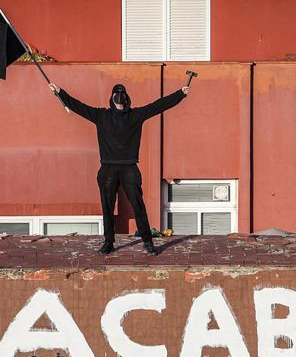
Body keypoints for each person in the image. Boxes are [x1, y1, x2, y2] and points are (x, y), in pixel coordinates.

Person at [48, 80, 190, 255]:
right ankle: (109, 242)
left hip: (128, 168)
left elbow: (158, 106)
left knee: (137, 205)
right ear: (116, 100)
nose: (120, 103)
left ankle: (147, 241)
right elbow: (78, 106)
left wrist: (180, 94)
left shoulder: (130, 115)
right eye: (119, 99)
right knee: (108, 206)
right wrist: (60, 92)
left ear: (123, 100)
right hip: (110, 169)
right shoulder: (105, 116)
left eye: (121, 99)